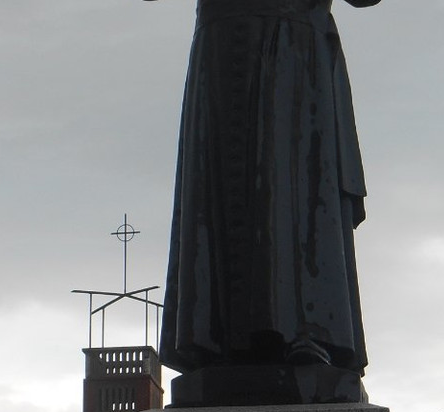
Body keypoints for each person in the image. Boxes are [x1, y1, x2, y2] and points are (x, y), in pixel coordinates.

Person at [157, 0, 379, 379]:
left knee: (294, 184)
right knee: (223, 188)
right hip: (225, 43)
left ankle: (307, 329)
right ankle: (217, 336)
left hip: (294, 44)